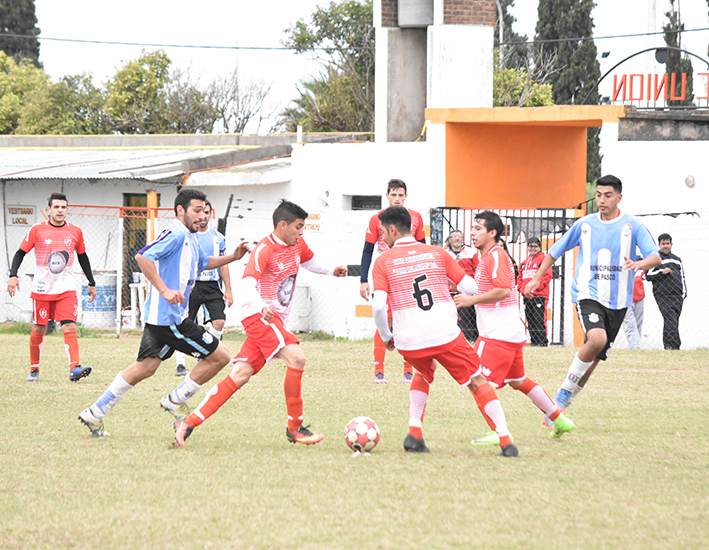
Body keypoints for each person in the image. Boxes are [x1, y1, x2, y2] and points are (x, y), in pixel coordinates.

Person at [174, 200, 348, 448]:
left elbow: (309, 262)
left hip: (272, 318)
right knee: (297, 358)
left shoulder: (297, 244)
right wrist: (261, 305)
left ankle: (188, 423)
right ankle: (294, 427)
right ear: (282, 225)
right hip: (259, 316)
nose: (301, 232)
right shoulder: (265, 249)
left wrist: (332, 270)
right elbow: (247, 283)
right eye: (298, 227)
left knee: (240, 375)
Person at [78, 188, 251, 437]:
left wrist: (233, 257)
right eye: (196, 211)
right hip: (171, 319)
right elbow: (143, 256)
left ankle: (94, 413)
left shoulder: (189, 236)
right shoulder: (177, 233)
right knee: (221, 356)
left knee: (146, 368)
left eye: (204, 211)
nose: (202, 216)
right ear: (181, 210)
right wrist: (165, 290)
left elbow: (203, 263)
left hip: (160, 317)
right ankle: (175, 400)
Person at [371, 206, 519, 457]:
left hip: (409, 340)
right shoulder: (438, 253)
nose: (382, 237)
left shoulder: (382, 261)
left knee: (422, 371)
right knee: (476, 380)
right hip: (445, 335)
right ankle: (505, 440)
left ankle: (414, 434)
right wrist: (445, 281)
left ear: (393, 229)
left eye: (383, 232)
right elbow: (471, 288)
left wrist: (387, 337)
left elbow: (377, 307)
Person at [525, 175, 661, 414]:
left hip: (618, 301)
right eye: (598, 195)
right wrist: (536, 278)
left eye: (608, 195)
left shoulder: (633, 226)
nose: (602, 200)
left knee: (591, 364)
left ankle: (560, 407)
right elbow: (555, 251)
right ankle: (564, 390)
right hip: (587, 292)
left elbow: (655, 257)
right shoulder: (584, 224)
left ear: (619, 197)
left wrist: (639, 265)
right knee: (596, 340)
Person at [454, 212, 574, 445]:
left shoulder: (494, 256)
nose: (472, 232)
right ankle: (559, 420)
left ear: (492, 233)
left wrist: (470, 300)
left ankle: (496, 431)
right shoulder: (488, 257)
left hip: (497, 334)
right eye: (472, 227)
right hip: (507, 332)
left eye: (478, 228)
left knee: (474, 379)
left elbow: (503, 290)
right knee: (519, 381)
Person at [7, 192, 97, 382]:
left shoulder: (75, 231)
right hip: (42, 288)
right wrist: (13, 275)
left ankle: (74, 368)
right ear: (48, 210)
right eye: (56, 207)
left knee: (69, 326)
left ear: (67, 209)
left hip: (66, 288)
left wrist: (91, 283)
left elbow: (82, 256)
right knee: (39, 328)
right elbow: (20, 253)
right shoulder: (37, 230)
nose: (60, 210)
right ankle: (34, 369)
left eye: (63, 207)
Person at [360, 179, 426, 384]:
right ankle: (378, 370)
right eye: (393, 194)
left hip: (409, 273)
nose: (397, 198)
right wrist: (363, 280)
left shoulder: (416, 217)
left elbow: (423, 247)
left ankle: (408, 369)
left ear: (406, 196)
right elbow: (368, 250)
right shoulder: (376, 219)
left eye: (401, 195)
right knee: (384, 320)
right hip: (385, 273)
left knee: (408, 320)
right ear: (387, 196)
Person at [174, 199, 233, 376]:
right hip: (191, 285)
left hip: (212, 285)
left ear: (210, 214)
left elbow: (223, 264)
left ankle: (207, 352)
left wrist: (228, 290)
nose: (203, 216)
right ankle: (180, 364)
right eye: (200, 212)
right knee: (185, 323)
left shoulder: (218, 238)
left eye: (207, 212)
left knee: (219, 321)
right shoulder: (188, 236)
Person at [645, 234, 686, 350]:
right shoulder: (655, 258)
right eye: (663, 244)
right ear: (659, 245)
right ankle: (675, 347)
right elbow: (648, 275)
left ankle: (668, 346)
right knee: (671, 319)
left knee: (672, 321)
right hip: (662, 295)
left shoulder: (677, 260)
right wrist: (661, 272)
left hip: (677, 296)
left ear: (671, 244)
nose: (665, 246)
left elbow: (682, 276)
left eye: (667, 243)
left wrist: (684, 293)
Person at [517, 237, 553, 346]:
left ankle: (542, 343)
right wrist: (523, 290)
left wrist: (534, 289)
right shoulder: (524, 263)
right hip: (527, 297)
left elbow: (547, 276)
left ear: (539, 247)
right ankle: (534, 343)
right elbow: (519, 278)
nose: (532, 248)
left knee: (539, 319)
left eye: (535, 246)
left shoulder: (543, 259)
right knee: (531, 320)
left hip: (539, 295)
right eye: (530, 246)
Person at [445, 229, 478, 342]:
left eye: (459, 236)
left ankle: (471, 338)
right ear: (450, 239)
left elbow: (477, 269)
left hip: (466, 291)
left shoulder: (471, 252)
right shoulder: (445, 253)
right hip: (451, 290)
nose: (457, 239)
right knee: (453, 317)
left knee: (469, 316)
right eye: (454, 236)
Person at [621, 253, 646, 350]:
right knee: (630, 325)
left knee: (638, 324)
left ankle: (635, 347)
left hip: (639, 299)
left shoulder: (641, 269)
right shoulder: (622, 268)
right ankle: (635, 347)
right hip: (626, 300)